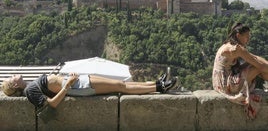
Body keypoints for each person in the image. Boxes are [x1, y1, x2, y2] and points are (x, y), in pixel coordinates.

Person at [1, 72, 177, 109]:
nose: (14, 75)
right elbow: (51, 105)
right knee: (121, 87)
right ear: (14, 86)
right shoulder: (30, 92)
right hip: (78, 87)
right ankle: (159, 87)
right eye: (11, 78)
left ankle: (156, 84)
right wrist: (68, 84)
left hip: (78, 83)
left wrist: (66, 78)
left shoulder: (30, 87)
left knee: (120, 83)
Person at [212, 22, 268, 119]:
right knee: (257, 67)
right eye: (247, 36)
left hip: (221, 82)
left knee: (257, 62)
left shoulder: (229, 45)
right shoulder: (236, 49)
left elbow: (254, 58)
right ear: (238, 35)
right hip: (226, 85)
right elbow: (259, 65)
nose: (248, 39)